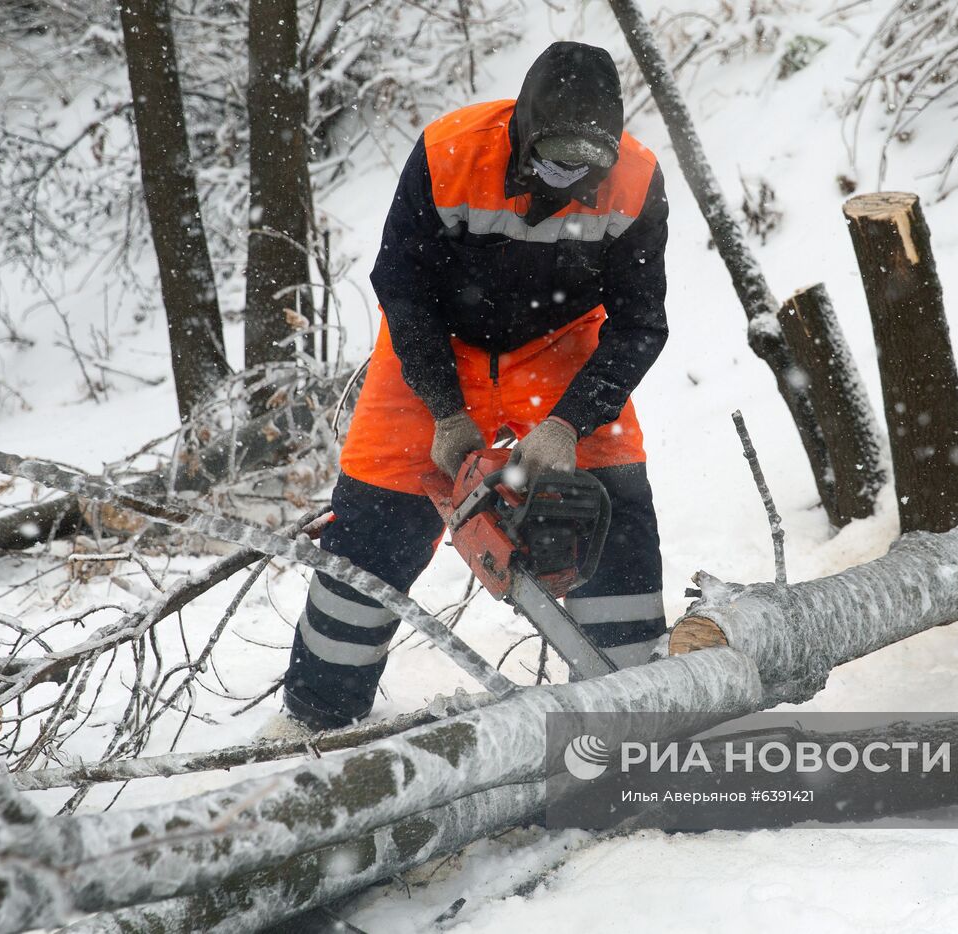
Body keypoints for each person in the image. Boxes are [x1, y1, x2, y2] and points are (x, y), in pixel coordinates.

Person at [281, 40, 670, 729]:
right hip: (437, 346)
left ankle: (637, 699)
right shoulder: (450, 152)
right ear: (522, 130)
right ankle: (315, 719)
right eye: (553, 161)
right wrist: (444, 408)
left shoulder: (636, 182)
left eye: (586, 168)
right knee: (373, 521)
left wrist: (567, 424)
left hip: (559, 349)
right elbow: (401, 289)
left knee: (614, 499)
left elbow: (640, 325)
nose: (566, 181)